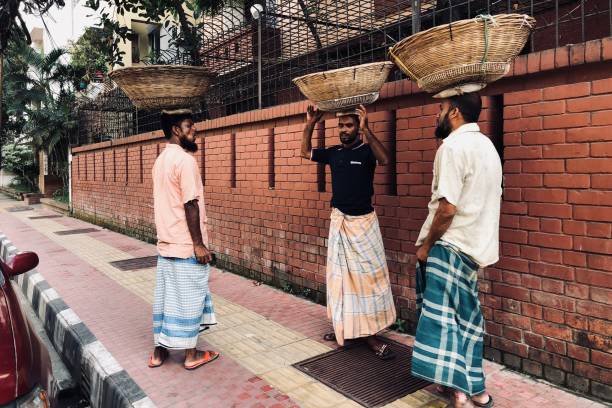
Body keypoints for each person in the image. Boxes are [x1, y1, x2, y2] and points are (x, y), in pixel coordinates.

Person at [412, 93, 500, 408]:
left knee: (443, 322)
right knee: (467, 321)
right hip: (475, 249)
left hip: (448, 246)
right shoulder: (488, 147)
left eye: (441, 108)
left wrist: (427, 246)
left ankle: (460, 394)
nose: (437, 113)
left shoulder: (451, 147)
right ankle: (478, 392)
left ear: (455, 112)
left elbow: (447, 208)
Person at [300, 104, 397, 359]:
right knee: (340, 279)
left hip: (364, 225)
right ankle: (346, 326)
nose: (344, 130)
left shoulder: (366, 152)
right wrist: (310, 124)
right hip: (340, 223)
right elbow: (304, 151)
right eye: (341, 126)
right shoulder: (333, 153)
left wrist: (368, 130)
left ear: (357, 128)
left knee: (368, 281)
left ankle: (371, 335)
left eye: (349, 125)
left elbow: (385, 159)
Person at [149, 109, 220, 370]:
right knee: (190, 299)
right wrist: (199, 245)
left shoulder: (160, 160)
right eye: (190, 126)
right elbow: (191, 204)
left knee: (166, 300)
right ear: (176, 130)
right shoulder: (186, 161)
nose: (195, 130)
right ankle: (190, 355)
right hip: (184, 245)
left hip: (165, 244)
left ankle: (159, 352)